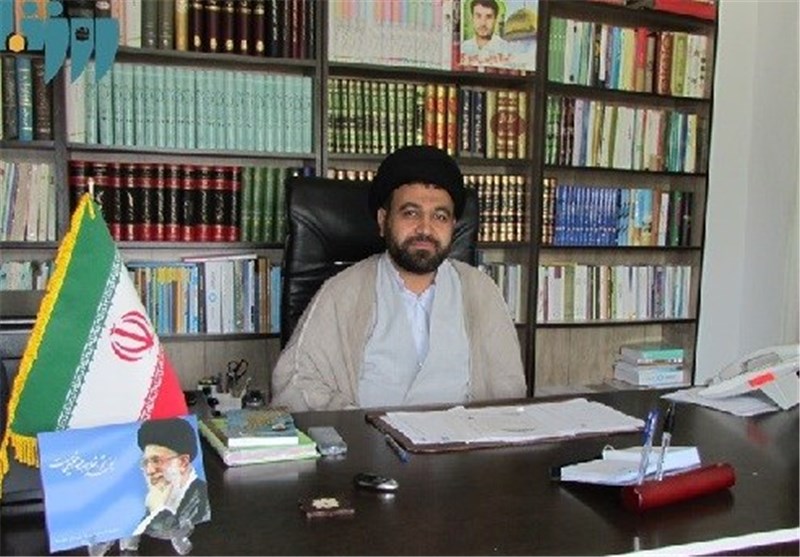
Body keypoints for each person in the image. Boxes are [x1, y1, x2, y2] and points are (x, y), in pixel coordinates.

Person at [271, 145, 526, 412]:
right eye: (411, 213)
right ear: (383, 221)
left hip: (461, 438)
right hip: (367, 436)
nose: (425, 229)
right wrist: (360, 423)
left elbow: (509, 391)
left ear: (453, 226)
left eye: (440, 216)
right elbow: (295, 383)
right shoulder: (343, 292)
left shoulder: (481, 292)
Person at [133, 418, 210, 538]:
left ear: (183, 462)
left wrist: (157, 510)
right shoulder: (155, 499)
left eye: (156, 460)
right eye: (146, 463)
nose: (149, 471)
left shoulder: (201, 502)